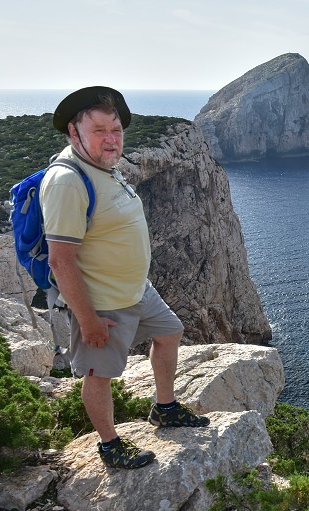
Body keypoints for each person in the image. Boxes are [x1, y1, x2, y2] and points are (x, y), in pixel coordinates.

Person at [42, 86, 209, 470]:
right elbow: (60, 261)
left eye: (115, 129)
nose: (111, 139)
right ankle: (110, 445)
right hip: (103, 301)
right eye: (99, 130)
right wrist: (88, 319)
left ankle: (164, 408)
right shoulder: (68, 180)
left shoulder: (105, 168)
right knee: (99, 374)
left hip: (137, 290)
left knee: (170, 332)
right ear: (74, 131)